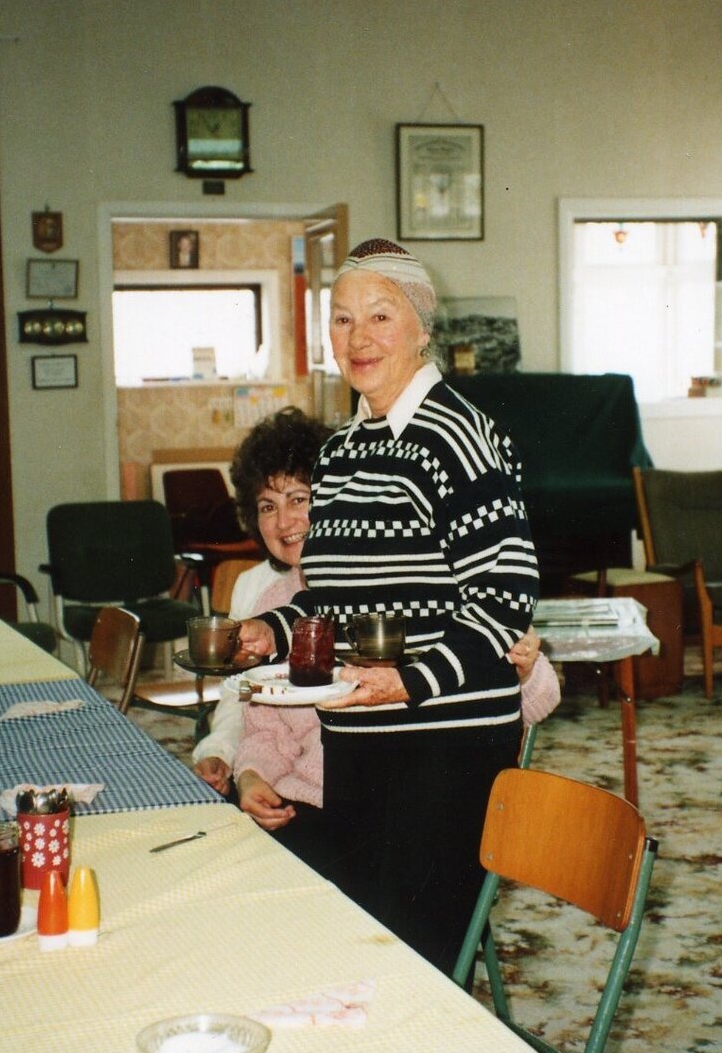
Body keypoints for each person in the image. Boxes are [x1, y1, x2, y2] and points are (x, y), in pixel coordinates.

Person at [238, 239, 540, 975]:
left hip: (445, 742)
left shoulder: (458, 434)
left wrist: (410, 678)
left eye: (380, 315)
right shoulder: (341, 451)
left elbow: (505, 597)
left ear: (421, 324)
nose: (359, 337)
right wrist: (269, 629)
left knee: (418, 957)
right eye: (342, 321)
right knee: (360, 946)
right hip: (359, 734)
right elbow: (333, 597)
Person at [191, 409, 559, 866]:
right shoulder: (275, 605)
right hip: (299, 803)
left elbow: (534, 701)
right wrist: (250, 776)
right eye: (268, 506)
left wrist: (525, 669)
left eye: (299, 499)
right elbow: (263, 725)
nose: (285, 521)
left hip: (391, 810)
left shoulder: (406, 584)